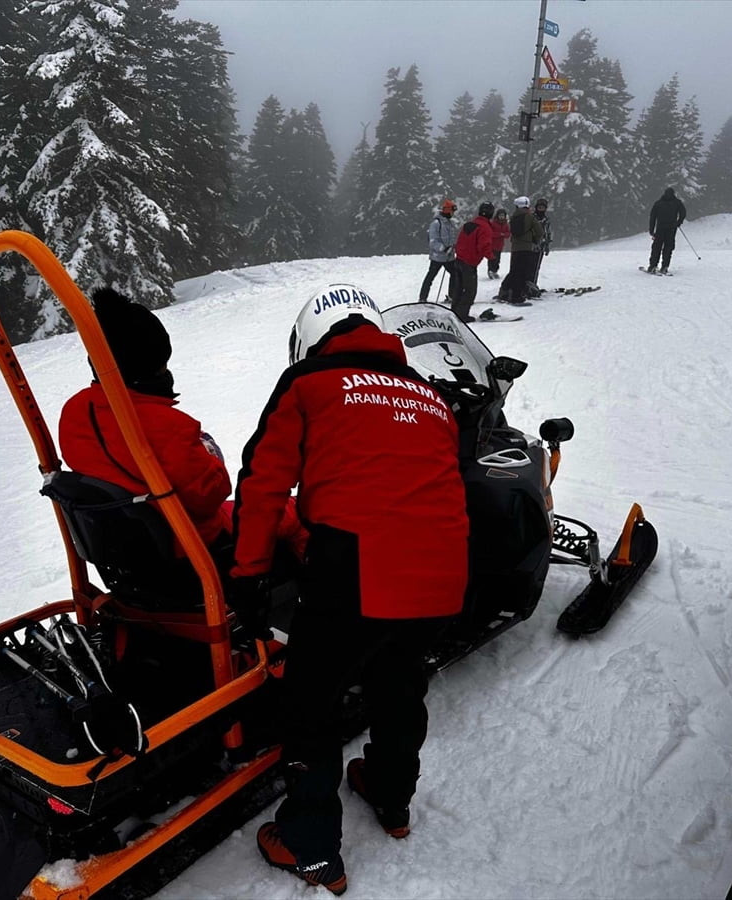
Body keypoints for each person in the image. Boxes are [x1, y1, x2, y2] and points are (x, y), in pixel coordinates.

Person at [229, 283, 468, 895]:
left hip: (355, 567)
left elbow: (262, 482)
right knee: (399, 685)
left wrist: (248, 574)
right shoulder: (430, 396)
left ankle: (310, 848)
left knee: (309, 704)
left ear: (311, 341)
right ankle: (391, 798)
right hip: (443, 572)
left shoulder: (308, 383)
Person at [59, 287, 304, 565]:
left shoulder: (75, 412)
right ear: (149, 367)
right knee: (297, 513)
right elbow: (210, 495)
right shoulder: (165, 426)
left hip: (135, 551)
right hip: (193, 545)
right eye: (162, 365)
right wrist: (210, 453)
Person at [452, 201, 496, 323]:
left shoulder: (468, 224)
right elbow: (484, 246)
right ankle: (462, 315)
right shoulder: (485, 227)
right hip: (469, 263)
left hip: (459, 260)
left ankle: (454, 312)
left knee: (458, 288)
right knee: (470, 291)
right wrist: (492, 258)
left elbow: (459, 241)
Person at [503, 196, 544, 306]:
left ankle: (506, 292)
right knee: (523, 273)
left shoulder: (513, 217)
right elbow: (540, 231)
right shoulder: (530, 217)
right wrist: (534, 240)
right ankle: (517, 297)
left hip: (515, 248)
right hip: (526, 248)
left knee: (514, 271)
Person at [418, 198, 458, 303]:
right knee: (430, 277)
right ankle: (422, 298)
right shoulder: (436, 223)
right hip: (438, 257)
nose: (453, 214)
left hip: (449, 257)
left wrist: (453, 248)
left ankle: (452, 295)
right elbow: (433, 241)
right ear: (447, 210)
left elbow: (452, 239)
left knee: (455, 274)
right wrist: (444, 248)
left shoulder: (450, 223)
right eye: (452, 211)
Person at [647, 187, 687, 274]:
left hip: (660, 229)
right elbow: (683, 213)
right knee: (668, 248)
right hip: (671, 229)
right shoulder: (677, 203)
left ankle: (653, 266)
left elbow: (652, 217)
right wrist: (678, 222)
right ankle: (665, 266)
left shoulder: (658, 203)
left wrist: (651, 230)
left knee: (656, 248)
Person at [528, 197, 552, 294]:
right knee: (530, 266)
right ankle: (528, 284)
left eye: (543, 207)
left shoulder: (546, 219)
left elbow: (548, 232)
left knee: (536, 266)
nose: (541, 209)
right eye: (539, 207)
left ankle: (533, 284)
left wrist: (547, 244)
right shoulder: (532, 218)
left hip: (541, 246)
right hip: (532, 245)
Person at [486, 207, 511, 279]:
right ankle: (491, 270)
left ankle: (495, 271)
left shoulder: (506, 224)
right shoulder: (493, 223)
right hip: (492, 244)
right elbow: (490, 233)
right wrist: (500, 234)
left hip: (500, 245)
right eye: (500, 215)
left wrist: (503, 234)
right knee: (492, 259)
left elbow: (508, 234)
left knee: (497, 259)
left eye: (503, 215)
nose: (501, 217)